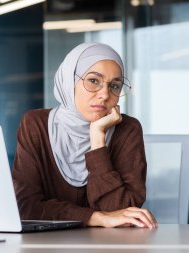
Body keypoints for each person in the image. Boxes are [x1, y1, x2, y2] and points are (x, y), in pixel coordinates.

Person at [12, 42, 158, 228]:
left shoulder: (127, 129)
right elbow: (26, 208)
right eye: (94, 81)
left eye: (114, 85)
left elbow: (123, 212)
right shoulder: (36, 124)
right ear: (69, 81)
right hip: (48, 246)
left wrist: (97, 138)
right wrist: (96, 218)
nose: (105, 94)